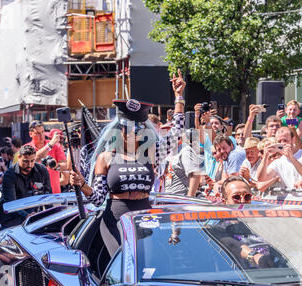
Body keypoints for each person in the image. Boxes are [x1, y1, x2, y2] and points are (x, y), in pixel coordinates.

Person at [70, 70, 186, 257]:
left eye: (138, 128)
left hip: (145, 216)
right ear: (118, 130)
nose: (132, 133)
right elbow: (99, 199)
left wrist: (179, 96)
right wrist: (82, 184)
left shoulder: (150, 154)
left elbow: (176, 132)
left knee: (147, 264)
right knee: (121, 262)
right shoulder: (106, 157)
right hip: (115, 218)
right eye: (126, 128)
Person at [0, 145, 52, 228]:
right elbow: (10, 202)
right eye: (25, 161)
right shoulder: (9, 174)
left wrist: (50, 216)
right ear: (19, 157)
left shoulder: (42, 170)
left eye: (32, 161)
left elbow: (48, 197)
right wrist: (27, 216)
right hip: (11, 217)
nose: (29, 164)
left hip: (33, 214)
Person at [27, 122, 67, 193]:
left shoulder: (56, 146)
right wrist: (50, 145)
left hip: (54, 194)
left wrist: (56, 166)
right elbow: (34, 158)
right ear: (30, 134)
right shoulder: (27, 147)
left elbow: (65, 165)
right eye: (37, 133)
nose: (41, 135)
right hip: (35, 195)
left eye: (42, 132)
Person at [164, 128, 203, 197]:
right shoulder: (172, 153)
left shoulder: (185, 151)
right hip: (171, 200)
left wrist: (190, 198)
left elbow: (195, 175)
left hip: (181, 201)